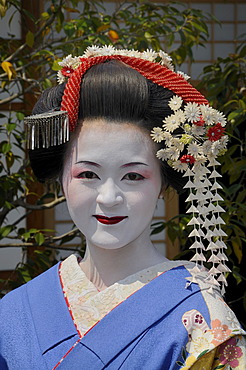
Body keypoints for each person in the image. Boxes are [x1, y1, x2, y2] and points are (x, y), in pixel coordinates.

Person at [0, 45, 245, 370]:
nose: (109, 197)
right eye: (88, 174)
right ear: (62, 180)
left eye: (133, 176)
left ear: (161, 184)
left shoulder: (204, 321)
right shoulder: (15, 311)